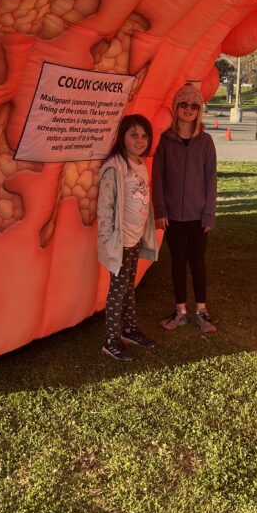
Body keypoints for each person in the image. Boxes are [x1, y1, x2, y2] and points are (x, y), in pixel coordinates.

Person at [152, 83, 218, 334]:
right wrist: (160, 210)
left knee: (198, 262)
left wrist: (209, 213)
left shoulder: (205, 141)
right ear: (176, 107)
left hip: (198, 216)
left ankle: (202, 310)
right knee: (177, 262)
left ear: (199, 110)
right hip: (172, 217)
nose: (188, 109)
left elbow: (211, 178)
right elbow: (157, 177)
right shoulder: (165, 141)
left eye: (194, 105)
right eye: (184, 104)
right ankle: (180, 311)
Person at [97, 114, 159, 361]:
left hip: (135, 239)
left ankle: (130, 329)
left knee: (128, 287)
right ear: (122, 137)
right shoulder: (115, 166)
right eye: (134, 134)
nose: (140, 140)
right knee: (118, 289)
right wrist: (108, 240)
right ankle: (111, 340)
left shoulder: (141, 163)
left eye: (144, 135)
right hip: (119, 241)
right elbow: (105, 205)